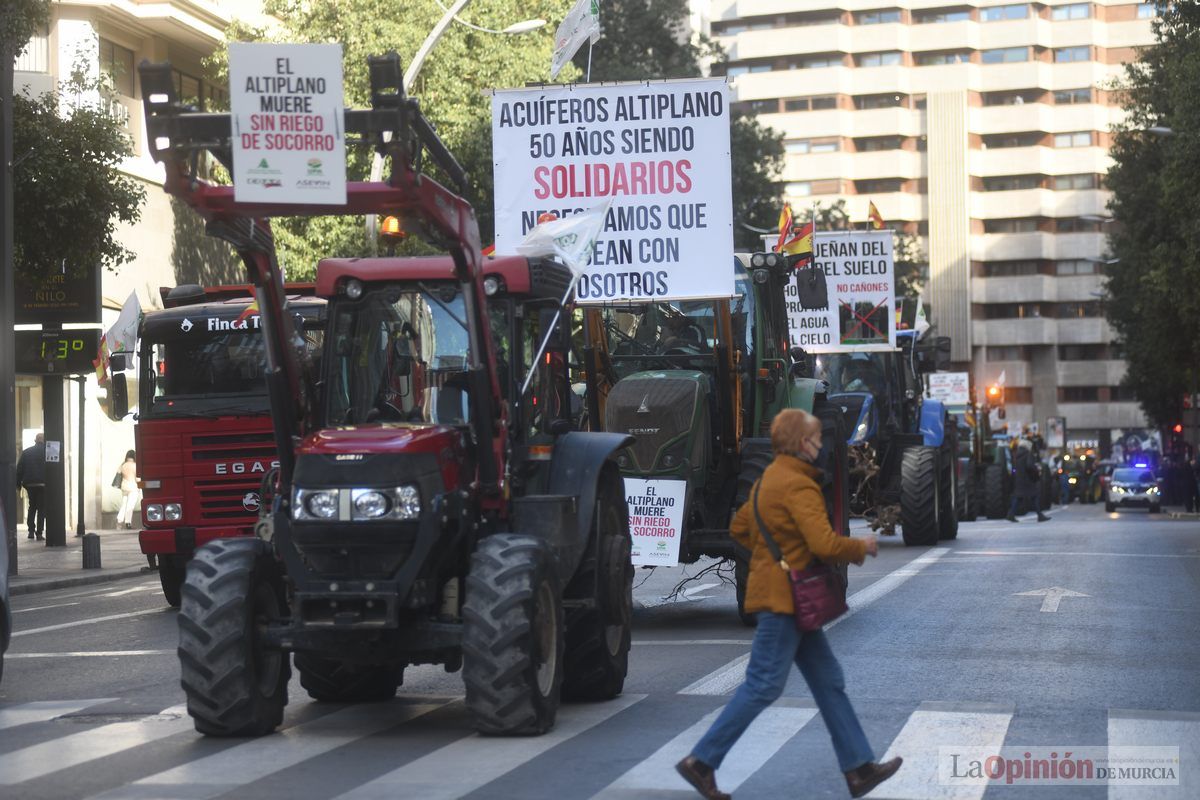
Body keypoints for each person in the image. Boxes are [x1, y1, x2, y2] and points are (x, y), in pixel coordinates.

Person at [675, 409, 902, 800]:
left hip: (789, 598)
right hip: (787, 600)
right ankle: (702, 761)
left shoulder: (767, 480)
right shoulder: (798, 485)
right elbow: (824, 545)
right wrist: (860, 546)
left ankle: (859, 768)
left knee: (829, 681)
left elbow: (739, 529)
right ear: (801, 443)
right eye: (814, 439)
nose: (819, 446)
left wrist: (771, 557)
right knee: (763, 685)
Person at [1007, 440, 1048, 522]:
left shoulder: (1016, 455)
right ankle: (1040, 516)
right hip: (1027, 479)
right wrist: (1036, 470)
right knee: (1034, 496)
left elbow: (1014, 469)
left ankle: (1011, 514)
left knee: (1019, 497)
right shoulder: (1028, 454)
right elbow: (1029, 466)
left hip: (1019, 479)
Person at [15, 433, 46, 540]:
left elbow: (19, 469)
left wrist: (18, 485)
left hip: (30, 484)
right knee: (41, 508)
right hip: (43, 484)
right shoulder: (47, 451)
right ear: (44, 440)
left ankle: (31, 531)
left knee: (32, 506)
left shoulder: (26, 452)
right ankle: (39, 533)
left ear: (35, 440)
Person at [116, 450, 140, 529]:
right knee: (130, 506)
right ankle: (128, 523)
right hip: (133, 487)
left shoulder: (123, 465)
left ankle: (119, 521)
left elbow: (118, 473)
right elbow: (137, 479)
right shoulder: (135, 465)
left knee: (124, 505)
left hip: (124, 487)